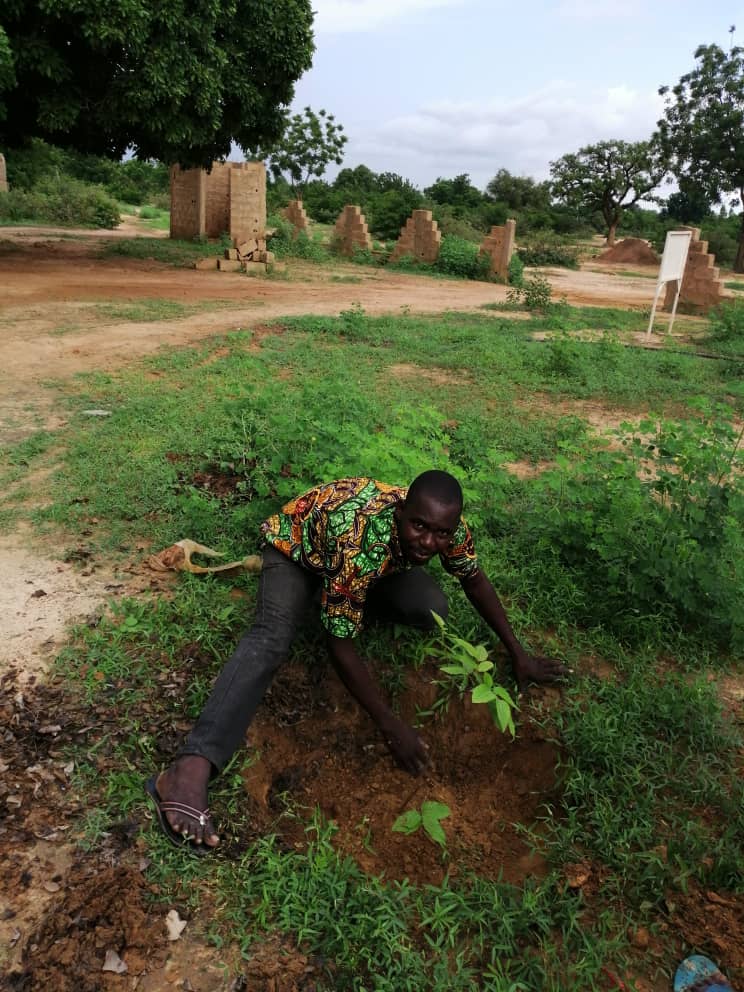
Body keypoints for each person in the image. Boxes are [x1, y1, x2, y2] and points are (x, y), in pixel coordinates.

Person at [146, 471, 567, 853]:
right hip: (296, 548)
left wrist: (520, 655)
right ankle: (189, 768)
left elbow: (473, 579)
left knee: (429, 606)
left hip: (361, 563)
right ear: (401, 511)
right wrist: (390, 725)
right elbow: (340, 646)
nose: (428, 542)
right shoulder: (359, 541)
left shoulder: (445, 530)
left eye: (441, 533)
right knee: (272, 638)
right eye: (419, 526)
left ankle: (335, 594)